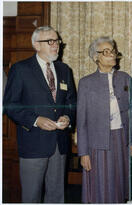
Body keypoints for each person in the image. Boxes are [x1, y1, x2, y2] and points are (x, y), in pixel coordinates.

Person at [3, 26, 77, 203]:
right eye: (50, 41)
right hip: (33, 144)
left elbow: (72, 102)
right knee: (31, 196)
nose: (56, 45)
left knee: (56, 196)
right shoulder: (21, 69)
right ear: (36, 45)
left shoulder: (64, 69)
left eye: (57, 41)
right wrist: (36, 120)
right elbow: (10, 105)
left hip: (59, 144)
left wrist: (68, 117)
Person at [77, 36, 132, 203]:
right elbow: (82, 121)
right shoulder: (86, 83)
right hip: (97, 143)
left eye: (113, 51)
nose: (112, 55)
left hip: (121, 139)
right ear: (96, 57)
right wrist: (83, 152)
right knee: (100, 185)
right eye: (106, 52)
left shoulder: (125, 78)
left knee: (119, 183)